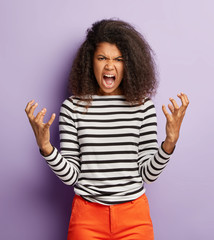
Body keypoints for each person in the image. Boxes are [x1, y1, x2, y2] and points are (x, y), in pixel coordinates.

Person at [24, 19, 189, 240]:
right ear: (90, 62)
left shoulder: (142, 107)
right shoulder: (73, 108)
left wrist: (169, 143)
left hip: (134, 218)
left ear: (128, 64)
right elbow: (72, 176)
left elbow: (148, 175)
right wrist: (46, 148)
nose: (109, 66)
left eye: (118, 59)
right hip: (87, 218)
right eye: (102, 58)